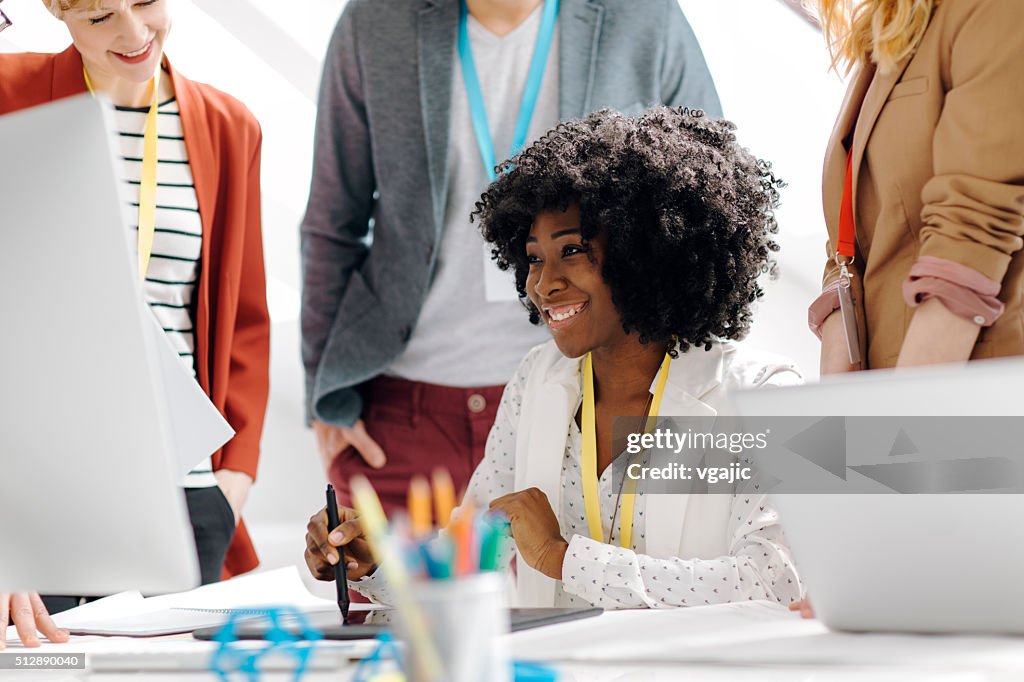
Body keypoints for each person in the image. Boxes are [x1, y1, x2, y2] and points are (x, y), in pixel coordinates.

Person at [305, 107, 802, 609]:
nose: (543, 284)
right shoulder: (535, 378)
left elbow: (779, 581)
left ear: (646, 254)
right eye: (534, 258)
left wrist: (562, 558)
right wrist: (373, 563)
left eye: (572, 252)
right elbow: (470, 560)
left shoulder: (769, 392)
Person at [301, 0, 722, 515]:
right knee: (386, 594)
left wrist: (696, 388)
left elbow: (708, 206)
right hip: (400, 418)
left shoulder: (641, 16)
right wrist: (323, 399)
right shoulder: (376, 20)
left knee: (583, 589)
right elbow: (330, 222)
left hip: (580, 403)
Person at [0, 0, 269, 645]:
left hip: (183, 492)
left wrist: (232, 479)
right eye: (99, 18)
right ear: (56, 11)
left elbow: (249, 320)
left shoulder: (229, 127)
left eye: (145, 2)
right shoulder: (11, 95)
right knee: (46, 670)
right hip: (39, 495)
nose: (133, 33)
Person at [808, 0, 1024, 375]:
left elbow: (973, 232)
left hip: (961, 390)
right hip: (884, 390)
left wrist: (903, 418)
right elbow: (855, 230)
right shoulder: (889, 21)